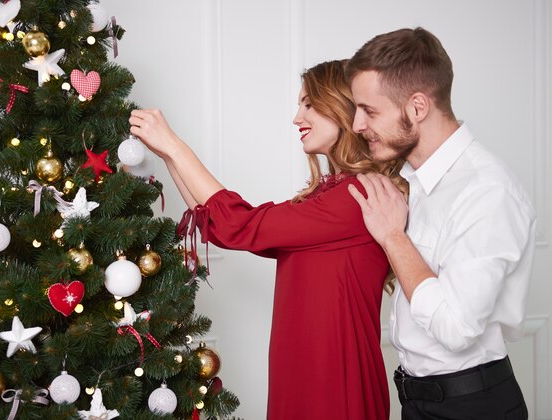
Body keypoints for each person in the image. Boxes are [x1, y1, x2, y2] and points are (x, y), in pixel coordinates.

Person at [130, 60, 406, 419]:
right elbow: (219, 225)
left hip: (333, 378)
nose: (296, 117)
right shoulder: (330, 195)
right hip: (305, 370)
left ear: (341, 107)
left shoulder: (356, 196)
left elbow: (238, 225)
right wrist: (168, 154)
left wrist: (174, 144)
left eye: (308, 104)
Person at [345, 27, 536, 420]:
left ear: (417, 107)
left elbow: (456, 327)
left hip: (471, 407)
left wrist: (393, 237)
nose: (357, 125)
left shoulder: (486, 191)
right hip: (418, 400)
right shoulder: (417, 180)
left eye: (370, 111)